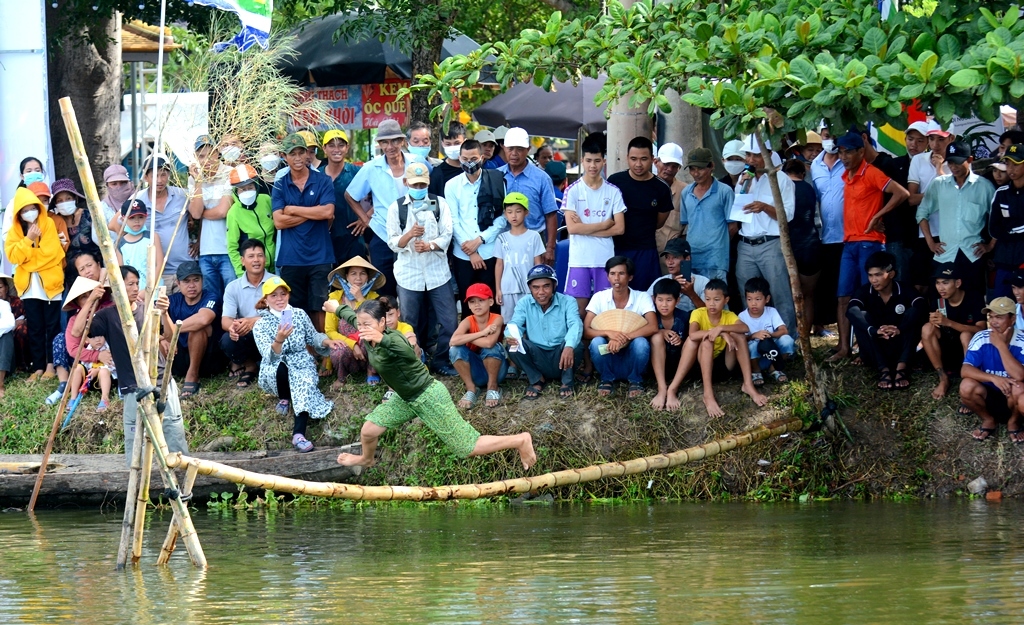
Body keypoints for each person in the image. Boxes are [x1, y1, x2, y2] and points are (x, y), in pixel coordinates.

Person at [327, 298, 537, 470]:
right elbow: (350, 315)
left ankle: (520, 440)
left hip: (428, 396)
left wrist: (382, 339)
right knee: (368, 431)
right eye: (360, 324)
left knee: (467, 447)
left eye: (368, 324)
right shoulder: (365, 329)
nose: (362, 328)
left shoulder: (394, 339)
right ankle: (367, 459)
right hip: (405, 397)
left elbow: (408, 353)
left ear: (382, 323)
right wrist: (336, 308)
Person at [86, 265, 188, 466]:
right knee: (136, 442)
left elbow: (168, 335)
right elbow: (79, 332)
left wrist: (164, 313)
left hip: (161, 380)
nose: (135, 288)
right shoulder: (107, 315)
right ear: (117, 288)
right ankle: (139, 481)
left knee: (173, 431)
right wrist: (91, 299)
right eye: (130, 284)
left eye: (136, 283)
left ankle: (180, 477)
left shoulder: (148, 310)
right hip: (132, 387)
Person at [832, 131, 910, 363]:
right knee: (843, 297)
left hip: (870, 243)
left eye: (848, 152)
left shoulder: (872, 172)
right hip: (849, 243)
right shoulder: (846, 175)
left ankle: (869, 349)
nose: (843, 156)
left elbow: (902, 193)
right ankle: (845, 348)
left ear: (860, 151)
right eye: (841, 152)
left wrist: (879, 215)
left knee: (871, 297)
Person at [254, 277, 342, 452]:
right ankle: (284, 397)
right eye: (274, 295)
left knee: (303, 384)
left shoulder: (299, 314)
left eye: (283, 294)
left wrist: (327, 342)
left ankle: (298, 434)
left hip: (301, 361)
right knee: (280, 367)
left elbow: (312, 336)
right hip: (276, 364)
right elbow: (268, 356)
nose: (279, 299)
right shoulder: (260, 324)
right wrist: (279, 340)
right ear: (266, 299)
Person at [386, 161, 458, 376]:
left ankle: (442, 361)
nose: (418, 189)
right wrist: (409, 235)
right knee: (409, 322)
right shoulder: (396, 207)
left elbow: (447, 233)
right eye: (414, 185)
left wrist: (430, 245)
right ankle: (415, 363)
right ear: (406, 182)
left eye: (422, 185)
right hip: (409, 274)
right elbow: (392, 242)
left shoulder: (439, 203)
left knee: (449, 320)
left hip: (438, 273)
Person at [345, 118, 427, 298]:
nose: (390, 146)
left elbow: (429, 186)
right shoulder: (371, 168)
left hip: (414, 233)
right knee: (385, 288)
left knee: (414, 288)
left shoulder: (417, 162)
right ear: (380, 144)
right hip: (383, 235)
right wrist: (366, 220)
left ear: (401, 141)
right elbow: (350, 195)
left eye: (394, 141)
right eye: (385, 142)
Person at [271, 132, 336, 332]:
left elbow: (328, 211)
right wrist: (313, 213)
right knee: (292, 309)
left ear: (308, 154)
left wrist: (293, 209)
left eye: (302, 153)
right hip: (291, 257)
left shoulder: (323, 180)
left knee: (321, 306)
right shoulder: (280, 184)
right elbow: (279, 221)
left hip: (320, 255)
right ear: (285, 156)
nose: (298, 158)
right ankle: (301, 354)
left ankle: (325, 357)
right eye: (293, 154)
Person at [733, 135, 798, 333]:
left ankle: (788, 340)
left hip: (770, 243)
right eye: (748, 155)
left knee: (779, 293)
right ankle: (754, 339)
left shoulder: (782, 180)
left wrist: (764, 207)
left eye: (756, 155)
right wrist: (742, 187)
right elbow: (738, 212)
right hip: (745, 244)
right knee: (748, 293)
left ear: (769, 155)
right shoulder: (744, 179)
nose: (751, 160)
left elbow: (787, 215)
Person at [917, 140, 995, 291]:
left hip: (973, 255)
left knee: (974, 302)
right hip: (945, 254)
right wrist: (930, 242)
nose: (953, 167)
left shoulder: (985, 187)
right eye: (950, 162)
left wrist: (990, 245)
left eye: (958, 162)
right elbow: (922, 212)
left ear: (969, 160)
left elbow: (998, 219)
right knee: (942, 303)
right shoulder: (939, 184)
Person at [4, 187, 64, 382]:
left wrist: (27, 259)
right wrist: (28, 240)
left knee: (52, 326)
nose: (30, 212)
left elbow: (52, 254)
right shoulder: (15, 230)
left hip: (51, 287)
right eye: (25, 209)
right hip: (29, 288)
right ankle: (38, 367)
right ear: (19, 213)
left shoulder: (47, 223)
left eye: (33, 208)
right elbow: (13, 256)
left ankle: (51, 365)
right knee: (36, 327)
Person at [685, 279, 768, 417]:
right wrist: (722, 333)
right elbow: (692, 334)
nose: (711, 303)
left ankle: (748, 384)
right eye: (708, 299)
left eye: (717, 299)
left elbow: (745, 328)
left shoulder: (729, 316)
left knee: (739, 336)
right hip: (702, 367)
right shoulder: (698, 313)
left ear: (726, 300)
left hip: (724, 366)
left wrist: (722, 328)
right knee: (707, 342)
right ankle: (708, 394)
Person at [562, 139, 627, 315]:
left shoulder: (613, 191)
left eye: (597, 161)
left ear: (604, 161)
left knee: (604, 311)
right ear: (582, 160)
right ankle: (576, 343)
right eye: (589, 161)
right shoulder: (572, 190)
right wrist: (604, 225)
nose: (593, 165)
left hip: (605, 260)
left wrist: (584, 226)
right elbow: (572, 229)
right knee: (577, 311)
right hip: (579, 260)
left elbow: (620, 229)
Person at [846, 251, 925, 390]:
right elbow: (851, 310)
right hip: (876, 348)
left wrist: (900, 328)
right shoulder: (864, 291)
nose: (873, 280)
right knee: (861, 315)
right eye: (870, 275)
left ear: (891, 274)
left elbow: (922, 307)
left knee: (913, 313)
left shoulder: (905, 289)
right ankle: (884, 370)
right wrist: (874, 330)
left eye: (878, 275)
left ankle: (902, 367)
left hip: (900, 346)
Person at [584, 256, 659, 398]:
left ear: (630, 277)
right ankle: (606, 378)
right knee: (596, 342)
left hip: (632, 356)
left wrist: (624, 337)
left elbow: (653, 326)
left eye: (621, 273)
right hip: (608, 354)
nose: (616, 278)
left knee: (641, 343)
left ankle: (635, 379)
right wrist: (608, 332)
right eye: (612, 274)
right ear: (607, 277)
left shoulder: (642, 297)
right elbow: (586, 331)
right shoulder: (599, 297)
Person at [505, 264, 583, 400]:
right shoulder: (524, 303)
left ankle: (567, 381)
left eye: (546, 286)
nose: (541, 292)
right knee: (512, 347)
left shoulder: (568, 301)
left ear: (554, 286)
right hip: (537, 354)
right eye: (536, 287)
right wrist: (511, 336)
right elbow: (514, 324)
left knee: (577, 345)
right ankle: (536, 379)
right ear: (530, 288)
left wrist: (569, 346)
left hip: (561, 352)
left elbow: (575, 324)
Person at [445, 139, 508, 304]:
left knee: (492, 302)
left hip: (491, 251)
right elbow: (453, 220)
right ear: (459, 158)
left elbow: (502, 217)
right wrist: (471, 252)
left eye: (473, 159)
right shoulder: (451, 185)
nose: (469, 163)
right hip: (463, 255)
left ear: (481, 158)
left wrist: (480, 240)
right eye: (465, 159)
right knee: (468, 303)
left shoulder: (496, 180)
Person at [608, 137, 674, 291]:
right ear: (627, 159)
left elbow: (659, 222)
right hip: (616, 248)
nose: (638, 164)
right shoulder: (615, 181)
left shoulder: (662, 188)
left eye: (644, 159)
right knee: (617, 294)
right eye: (633, 159)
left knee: (647, 295)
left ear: (652, 159)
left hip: (646, 251)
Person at [960, 296, 1024, 442]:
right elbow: (965, 370)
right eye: (991, 317)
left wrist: (1001, 345)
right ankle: (988, 420)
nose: (993, 322)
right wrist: (994, 378)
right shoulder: (981, 337)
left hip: (1013, 396)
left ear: (1013, 319)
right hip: (987, 393)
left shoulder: (1022, 340)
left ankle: (1013, 422)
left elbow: (1020, 376)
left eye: (999, 317)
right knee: (966, 386)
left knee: (1019, 387)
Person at [920, 263, 986, 400]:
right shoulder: (938, 302)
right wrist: (935, 323)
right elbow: (934, 332)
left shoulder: (973, 298)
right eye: (938, 283)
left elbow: (981, 329)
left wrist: (949, 323)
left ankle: (970, 382)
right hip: (947, 351)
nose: (940, 287)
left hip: (969, 352)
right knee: (927, 328)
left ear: (957, 283)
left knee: (966, 335)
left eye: (945, 282)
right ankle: (943, 378)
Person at [221, 239, 276, 389]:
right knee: (227, 339)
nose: (256, 260)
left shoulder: (276, 282)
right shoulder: (233, 287)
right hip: (247, 335)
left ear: (265, 259)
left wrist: (255, 321)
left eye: (260, 255)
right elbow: (225, 319)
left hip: (272, 334)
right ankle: (250, 365)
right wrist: (233, 327)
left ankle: (272, 365)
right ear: (242, 261)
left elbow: (286, 316)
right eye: (251, 256)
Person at [500, 127, 559, 265]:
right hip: (504, 240)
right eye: (510, 148)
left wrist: (550, 248)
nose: (514, 153)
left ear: (528, 149)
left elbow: (550, 214)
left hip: (535, 240)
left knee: (535, 283)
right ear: (503, 148)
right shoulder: (496, 175)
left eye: (519, 149)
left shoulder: (541, 178)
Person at [880, 121, 930, 282]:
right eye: (910, 139)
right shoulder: (893, 165)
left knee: (924, 282)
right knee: (898, 282)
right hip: (898, 233)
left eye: (920, 140)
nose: (914, 144)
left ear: (929, 142)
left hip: (926, 233)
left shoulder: (935, 166)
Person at [188, 134, 236, 298]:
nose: (206, 160)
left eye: (210, 154)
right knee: (211, 299)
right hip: (206, 251)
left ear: (217, 153)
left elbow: (222, 211)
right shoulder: (194, 179)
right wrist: (199, 181)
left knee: (232, 297)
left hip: (228, 249)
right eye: (201, 156)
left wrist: (202, 213)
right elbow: (194, 213)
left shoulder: (229, 173)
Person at [165, 261, 222, 398]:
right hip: (179, 356)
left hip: (207, 359)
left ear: (202, 280)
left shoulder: (211, 297)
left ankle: (193, 375)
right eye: (186, 281)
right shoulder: (172, 300)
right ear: (178, 283)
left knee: (198, 328)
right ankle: (162, 379)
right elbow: (152, 322)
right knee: (159, 337)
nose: (192, 285)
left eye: (196, 280)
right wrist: (162, 338)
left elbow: (203, 319)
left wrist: (173, 330)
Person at [325, 256, 384, 387]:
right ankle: (342, 377)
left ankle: (372, 372)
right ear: (346, 277)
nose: (358, 278)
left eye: (362, 274)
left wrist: (360, 298)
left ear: (368, 277)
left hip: (367, 346)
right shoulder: (335, 298)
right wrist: (353, 345)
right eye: (353, 274)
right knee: (338, 350)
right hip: (346, 347)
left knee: (374, 339)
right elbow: (330, 330)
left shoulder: (374, 298)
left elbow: (376, 324)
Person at [811, 130, 845, 341]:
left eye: (833, 134)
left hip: (846, 235)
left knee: (845, 286)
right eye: (825, 135)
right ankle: (819, 324)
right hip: (822, 236)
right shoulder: (813, 166)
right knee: (822, 285)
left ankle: (848, 334)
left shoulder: (848, 162)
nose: (829, 139)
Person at [680, 147, 734, 281]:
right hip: (692, 257)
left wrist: (718, 245)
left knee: (716, 299)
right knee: (692, 298)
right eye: (692, 169)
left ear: (712, 166)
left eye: (700, 168)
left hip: (716, 260)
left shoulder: (725, 192)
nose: (696, 173)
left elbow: (733, 227)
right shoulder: (686, 193)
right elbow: (686, 225)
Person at [137, 154, 191, 289]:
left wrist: (199, 240)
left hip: (184, 268)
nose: (159, 180)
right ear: (145, 177)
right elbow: (115, 225)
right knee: (159, 309)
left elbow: (199, 214)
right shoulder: (137, 199)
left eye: (163, 175)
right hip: (155, 272)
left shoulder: (181, 195)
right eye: (154, 176)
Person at [449, 283, 506, 408]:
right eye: (472, 301)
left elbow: (489, 342)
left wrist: (466, 337)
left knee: (492, 347)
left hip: (497, 371)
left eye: (481, 300)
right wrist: (483, 333)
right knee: (455, 350)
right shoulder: (467, 321)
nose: (477, 305)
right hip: (476, 372)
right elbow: (453, 341)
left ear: (491, 302)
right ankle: (471, 389)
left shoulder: (497, 318)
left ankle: (493, 387)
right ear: (468, 305)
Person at [63, 277, 115, 412]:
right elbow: (74, 349)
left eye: (91, 294)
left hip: (107, 365)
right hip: (88, 364)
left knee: (104, 371)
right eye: (84, 298)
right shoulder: (74, 320)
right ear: (77, 302)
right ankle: (73, 397)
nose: (89, 299)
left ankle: (105, 398)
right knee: (77, 369)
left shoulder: (108, 312)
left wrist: (105, 356)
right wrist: (97, 355)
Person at [782, 159, 821, 335]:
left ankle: (791, 334)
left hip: (789, 244)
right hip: (811, 245)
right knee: (809, 296)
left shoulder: (783, 189)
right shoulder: (810, 189)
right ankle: (804, 335)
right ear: (803, 175)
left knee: (788, 294)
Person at [318, 129, 366, 265]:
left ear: (347, 148)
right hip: (325, 240)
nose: (336, 149)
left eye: (341, 145)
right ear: (324, 149)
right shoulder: (316, 176)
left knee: (355, 283)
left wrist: (365, 218)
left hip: (353, 239)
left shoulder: (357, 172)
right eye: (331, 145)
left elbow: (381, 195)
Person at [494, 192, 545, 321]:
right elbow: (499, 265)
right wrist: (498, 289)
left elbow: (538, 264)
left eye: (518, 211)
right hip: (508, 289)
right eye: (509, 212)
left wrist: (538, 287)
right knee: (510, 323)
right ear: (505, 214)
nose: (514, 216)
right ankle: (511, 342)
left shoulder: (534, 236)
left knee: (530, 320)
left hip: (528, 289)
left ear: (526, 212)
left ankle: (528, 342)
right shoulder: (501, 238)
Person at [739, 277, 795, 386]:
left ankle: (774, 369)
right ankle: (756, 372)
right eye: (749, 299)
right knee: (751, 346)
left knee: (787, 340)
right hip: (755, 358)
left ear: (767, 299)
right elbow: (741, 339)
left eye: (758, 299)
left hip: (772, 352)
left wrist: (771, 335)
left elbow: (784, 330)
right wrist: (754, 336)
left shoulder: (771, 312)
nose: (753, 303)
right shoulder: (742, 316)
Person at [226, 163, 276, 276]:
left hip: (274, 266)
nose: (247, 192)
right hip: (253, 271)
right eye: (242, 189)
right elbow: (232, 247)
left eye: (250, 188)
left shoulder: (266, 200)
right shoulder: (233, 213)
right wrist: (240, 273)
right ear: (236, 192)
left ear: (256, 187)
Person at [0, 156, 48, 277]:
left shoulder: (49, 197)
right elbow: (7, 235)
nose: (34, 173)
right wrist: (27, 239)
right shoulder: (14, 203)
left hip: (48, 263)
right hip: (24, 265)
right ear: (22, 176)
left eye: (37, 170)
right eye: (29, 171)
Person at [649, 278, 690, 411]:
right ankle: (662, 389)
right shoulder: (651, 317)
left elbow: (692, 343)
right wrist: (660, 331)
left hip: (679, 366)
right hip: (655, 367)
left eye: (669, 300)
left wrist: (681, 342)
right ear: (654, 299)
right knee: (656, 336)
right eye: (660, 300)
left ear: (677, 300)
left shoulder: (685, 317)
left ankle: (673, 388)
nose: (664, 305)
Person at [989, 144, 1024, 299]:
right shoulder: (1001, 193)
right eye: (1008, 164)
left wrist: (1009, 228)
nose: (1011, 169)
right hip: (1004, 261)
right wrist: (1016, 230)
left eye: (1016, 164)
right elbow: (993, 228)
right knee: (1001, 306)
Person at [647, 238, 708, 314]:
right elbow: (646, 307)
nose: (670, 262)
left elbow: (710, 315)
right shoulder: (660, 281)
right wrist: (671, 287)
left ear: (687, 258)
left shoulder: (703, 282)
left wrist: (691, 294)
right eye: (667, 257)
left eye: (675, 257)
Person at [116, 199, 163, 293]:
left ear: (146, 217)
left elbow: (160, 264)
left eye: (140, 217)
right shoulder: (120, 243)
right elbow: (121, 273)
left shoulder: (153, 237)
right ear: (122, 219)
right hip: (132, 294)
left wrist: (148, 288)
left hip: (154, 290)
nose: (137, 221)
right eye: (132, 218)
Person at [48, 178, 99, 258]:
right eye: (60, 201)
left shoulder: (90, 216)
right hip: (67, 269)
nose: (64, 203)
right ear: (55, 203)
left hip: (94, 266)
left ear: (75, 198)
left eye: (68, 199)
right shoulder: (54, 222)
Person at [653, 143, 685, 260]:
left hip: (672, 256)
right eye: (666, 164)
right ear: (656, 162)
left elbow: (687, 228)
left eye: (675, 166)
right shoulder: (645, 187)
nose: (670, 169)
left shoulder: (685, 192)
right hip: (647, 251)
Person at [429, 121, 466, 197]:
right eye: (448, 144)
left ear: (465, 142)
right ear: (442, 144)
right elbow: (432, 202)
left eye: (457, 143)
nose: (452, 147)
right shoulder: (437, 174)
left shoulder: (473, 168)